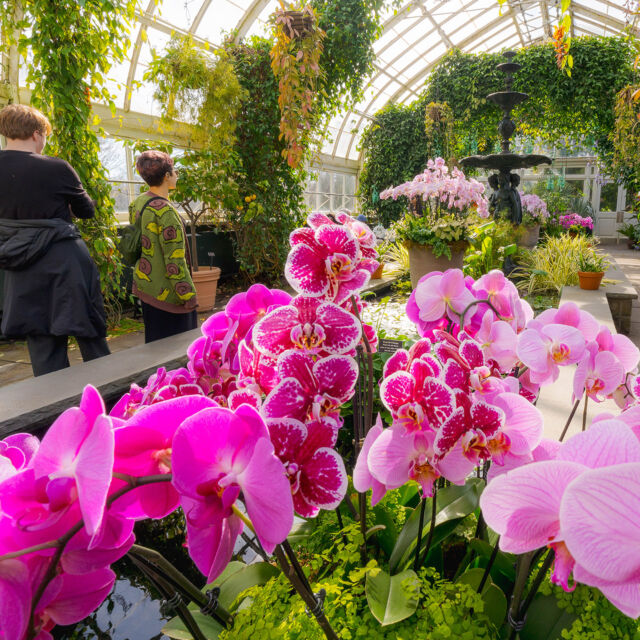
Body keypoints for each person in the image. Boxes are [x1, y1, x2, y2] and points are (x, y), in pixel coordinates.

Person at [0, 104, 110, 377]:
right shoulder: (56, 168)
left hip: (21, 264)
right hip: (65, 262)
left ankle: (58, 414)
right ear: (37, 135)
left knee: (41, 341)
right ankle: (110, 401)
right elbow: (87, 211)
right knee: (91, 333)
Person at [130, 150, 198, 343]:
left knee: (155, 350)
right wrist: (189, 296)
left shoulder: (139, 203)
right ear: (167, 176)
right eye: (174, 171)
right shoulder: (166, 212)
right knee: (176, 358)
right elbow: (174, 260)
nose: (176, 175)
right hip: (168, 297)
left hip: (147, 287)